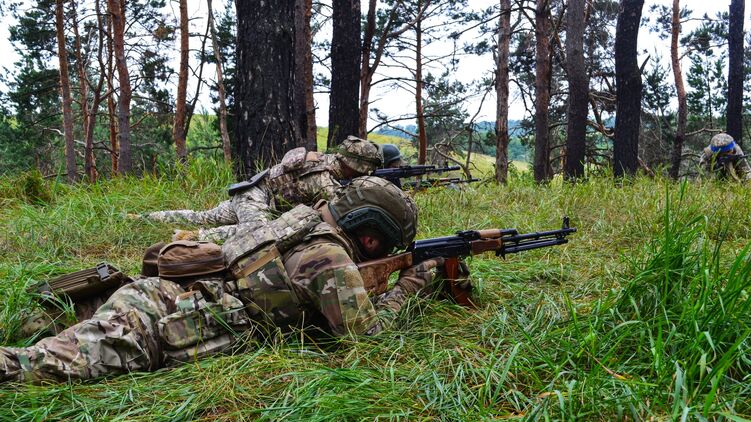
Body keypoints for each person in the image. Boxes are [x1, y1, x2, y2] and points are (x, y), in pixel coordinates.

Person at [0, 177, 452, 383]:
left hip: (160, 297)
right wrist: (413, 284)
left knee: (29, 327)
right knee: (29, 365)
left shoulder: (298, 225)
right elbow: (368, 342)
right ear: (372, 238)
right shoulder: (330, 259)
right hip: (153, 326)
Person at [133, 136, 383, 243]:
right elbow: (338, 209)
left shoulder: (323, 160)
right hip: (256, 197)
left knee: (205, 215)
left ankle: (142, 218)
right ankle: (196, 237)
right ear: (356, 166)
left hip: (251, 191)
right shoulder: (325, 178)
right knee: (259, 231)